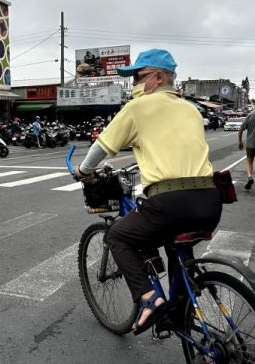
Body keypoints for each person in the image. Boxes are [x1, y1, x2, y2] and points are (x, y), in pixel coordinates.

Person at [73, 49, 222, 334]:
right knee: (175, 244)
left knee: (118, 236)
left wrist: (83, 171)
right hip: (210, 201)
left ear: (158, 77)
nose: (135, 85)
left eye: (139, 77)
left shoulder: (138, 108)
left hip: (170, 202)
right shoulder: (191, 109)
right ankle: (180, 309)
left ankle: (149, 299)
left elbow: (101, 148)